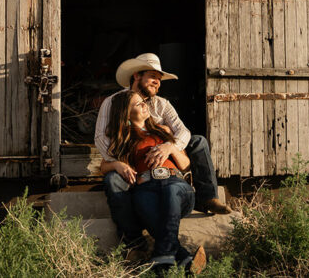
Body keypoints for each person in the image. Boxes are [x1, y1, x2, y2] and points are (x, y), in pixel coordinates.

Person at [94, 53, 230, 252]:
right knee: (113, 180)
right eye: (153, 76)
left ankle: (206, 197)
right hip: (131, 158)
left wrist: (170, 147)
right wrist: (121, 159)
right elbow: (100, 138)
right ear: (136, 76)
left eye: (160, 79)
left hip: (164, 154)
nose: (157, 82)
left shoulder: (162, 104)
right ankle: (134, 239)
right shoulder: (115, 102)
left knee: (198, 141)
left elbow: (182, 131)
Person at [99, 90, 206, 272]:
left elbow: (186, 165)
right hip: (146, 189)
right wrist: (117, 165)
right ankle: (180, 260)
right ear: (126, 112)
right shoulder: (123, 138)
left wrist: (170, 148)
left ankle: (164, 257)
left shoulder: (162, 130)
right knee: (142, 202)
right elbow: (103, 166)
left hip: (176, 185)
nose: (145, 105)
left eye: (144, 102)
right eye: (139, 104)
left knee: (171, 191)